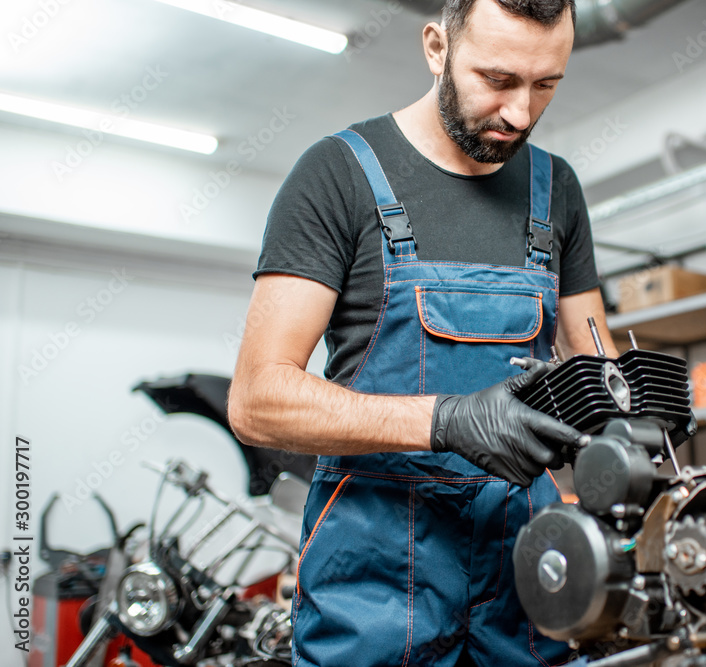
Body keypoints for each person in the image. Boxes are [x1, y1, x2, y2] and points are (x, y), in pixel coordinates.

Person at [228, 0, 615, 664]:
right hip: (372, 585)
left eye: (545, 84)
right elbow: (257, 400)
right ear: (437, 48)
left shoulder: (558, 191)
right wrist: (447, 420)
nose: (520, 113)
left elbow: (597, 381)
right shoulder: (337, 175)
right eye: (497, 79)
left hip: (527, 579)